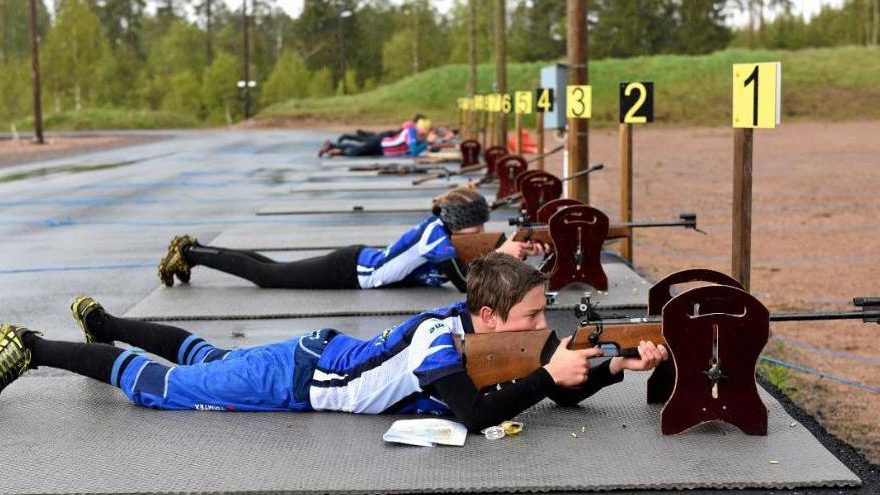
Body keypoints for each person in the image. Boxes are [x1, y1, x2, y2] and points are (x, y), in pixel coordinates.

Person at [0, 253, 668, 432]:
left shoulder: (485, 337)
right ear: (489, 317)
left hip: (316, 354)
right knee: (166, 389)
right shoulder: (442, 343)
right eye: (529, 315)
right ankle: (34, 344)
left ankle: (109, 323)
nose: (539, 325)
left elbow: (552, 387)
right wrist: (553, 373)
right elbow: (478, 412)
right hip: (295, 378)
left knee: (208, 357)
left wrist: (616, 366)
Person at [156, 187, 544, 292]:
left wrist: (519, 253)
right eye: (477, 230)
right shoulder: (436, 238)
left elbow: (472, 264)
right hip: (353, 269)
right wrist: (505, 255)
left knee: (273, 268)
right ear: (459, 225)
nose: (482, 236)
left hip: (357, 261)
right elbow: (465, 284)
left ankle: (196, 251)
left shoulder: (445, 233)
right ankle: (191, 251)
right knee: (271, 276)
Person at [318, 114, 427, 157]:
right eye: (424, 134)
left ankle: (332, 146)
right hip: (380, 143)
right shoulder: (411, 130)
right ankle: (336, 148)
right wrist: (426, 144)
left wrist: (426, 144)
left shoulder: (414, 134)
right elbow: (413, 152)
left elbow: (411, 150)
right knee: (358, 149)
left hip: (383, 150)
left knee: (358, 150)